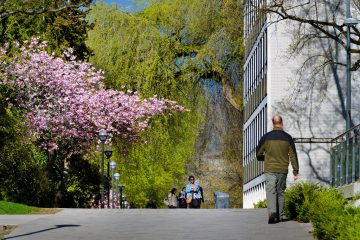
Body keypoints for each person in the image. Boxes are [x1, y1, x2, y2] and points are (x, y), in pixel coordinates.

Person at [256, 115, 299, 224]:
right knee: (280, 192)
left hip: (270, 168)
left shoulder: (266, 137)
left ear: (272, 123)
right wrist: (295, 171)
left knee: (271, 191)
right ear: (282, 122)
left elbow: (258, 154)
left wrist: (264, 158)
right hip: (282, 169)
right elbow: (293, 155)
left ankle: (272, 214)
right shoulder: (288, 138)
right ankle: (279, 216)